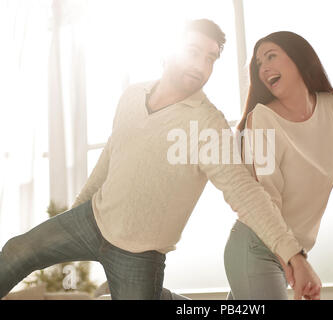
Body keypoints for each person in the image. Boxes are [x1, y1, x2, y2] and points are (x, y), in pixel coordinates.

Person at [0, 20, 311, 300]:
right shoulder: (132, 96)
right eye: (193, 51)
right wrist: (71, 217)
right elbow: (111, 158)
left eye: (210, 58)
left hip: (138, 256)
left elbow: (244, 190)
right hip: (91, 221)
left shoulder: (207, 123)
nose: (201, 65)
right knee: (16, 250)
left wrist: (292, 254)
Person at [224, 31, 333, 300]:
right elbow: (267, 198)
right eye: (258, 63)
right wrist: (296, 262)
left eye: (271, 56)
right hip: (258, 245)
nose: (264, 67)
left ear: (299, 59)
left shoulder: (331, 106)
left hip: (290, 251)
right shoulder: (263, 119)